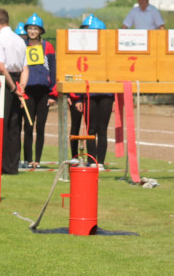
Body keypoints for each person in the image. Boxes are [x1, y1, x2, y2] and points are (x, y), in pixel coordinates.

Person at [67, 15, 113, 167]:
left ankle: (100, 162)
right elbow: (80, 75)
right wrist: (78, 98)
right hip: (89, 93)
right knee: (90, 128)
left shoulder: (109, 52)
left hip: (106, 93)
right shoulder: (83, 51)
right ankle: (91, 160)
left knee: (103, 129)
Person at [0, 8, 28, 175]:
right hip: (18, 80)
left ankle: (0, 165)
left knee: (1, 124)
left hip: (3, 82)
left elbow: (1, 66)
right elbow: (25, 68)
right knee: (15, 125)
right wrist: (21, 88)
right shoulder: (20, 40)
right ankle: (12, 166)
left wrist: (12, 88)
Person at [21, 13, 57, 168]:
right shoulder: (22, 45)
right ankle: (29, 160)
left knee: (40, 127)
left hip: (43, 92)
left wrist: (52, 93)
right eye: (30, 28)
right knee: (28, 126)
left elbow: (53, 70)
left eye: (35, 28)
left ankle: (38, 160)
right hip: (28, 91)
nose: (33, 31)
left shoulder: (47, 46)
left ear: (40, 31)